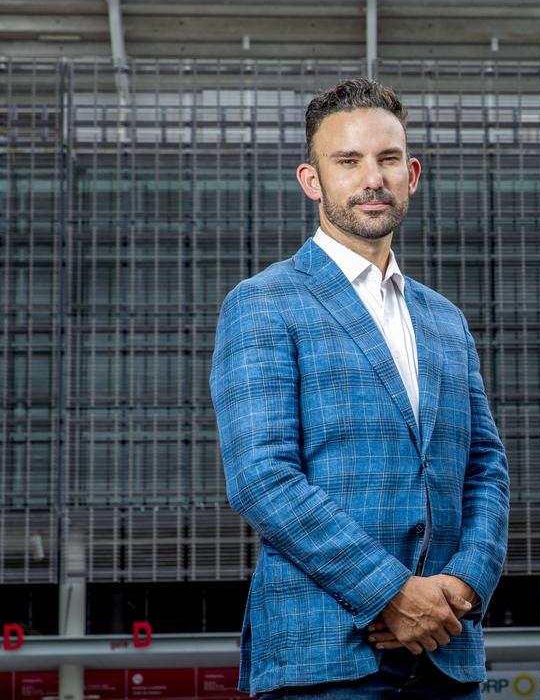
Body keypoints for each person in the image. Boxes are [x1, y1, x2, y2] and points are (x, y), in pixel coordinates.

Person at [210, 78, 509, 698]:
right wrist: (391, 593)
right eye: (348, 161)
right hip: (326, 658)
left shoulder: (444, 319)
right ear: (312, 181)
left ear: (412, 174)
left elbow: (485, 468)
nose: (372, 177)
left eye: (387, 159)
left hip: (448, 655)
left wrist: (465, 585)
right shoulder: (264, 304)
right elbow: (262, 477)